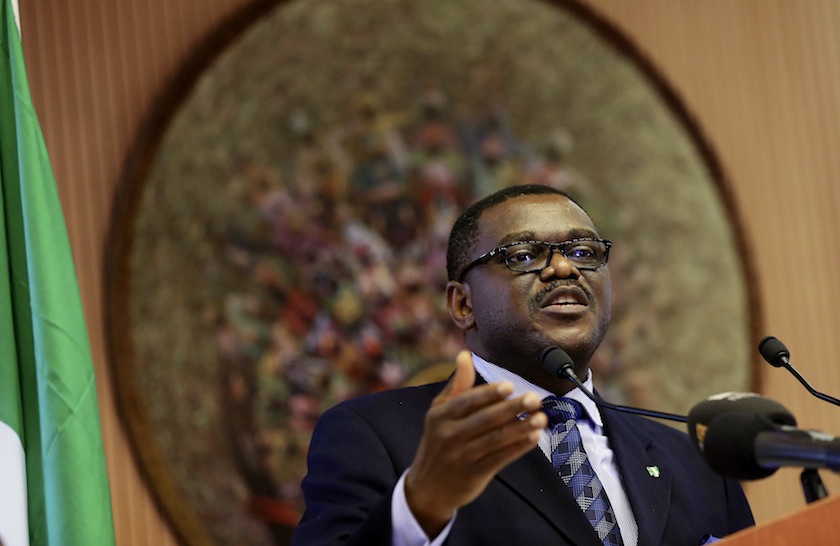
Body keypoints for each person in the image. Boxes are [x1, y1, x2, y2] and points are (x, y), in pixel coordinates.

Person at [292, 184, 754, 545]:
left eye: (584, 252)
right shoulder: (374, 436)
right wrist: (421, 505)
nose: (563, 269)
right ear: (462, 305)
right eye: (523, 255)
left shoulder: (697, 463)